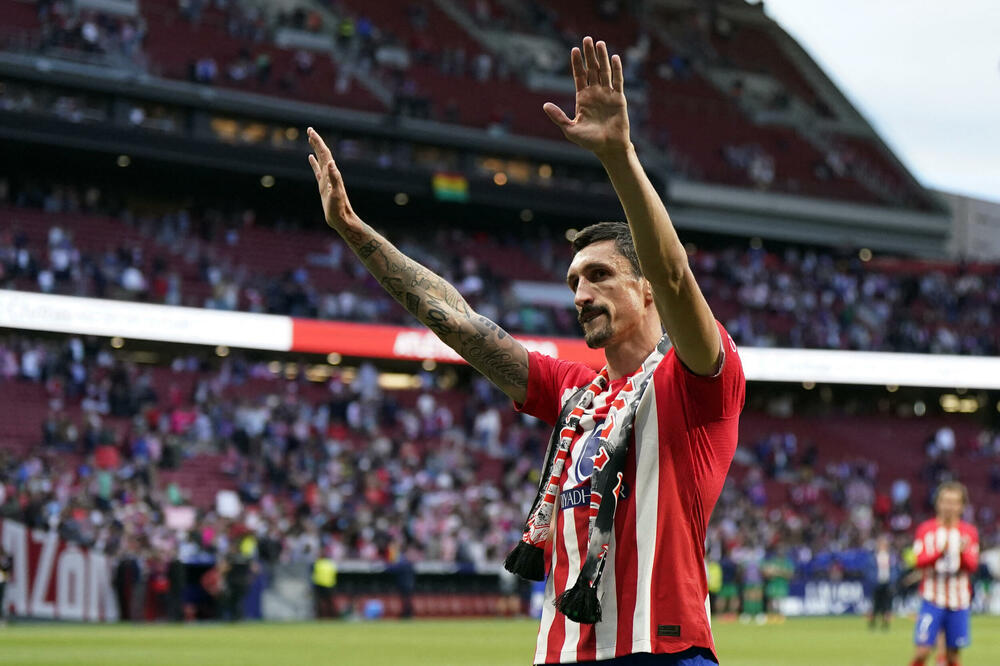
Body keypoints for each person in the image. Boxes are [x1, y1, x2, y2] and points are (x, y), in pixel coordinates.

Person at [307, 35, 744, 665]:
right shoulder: (575, 390)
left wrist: (618, 155)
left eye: (599, 276)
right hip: (560, 653)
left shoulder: (697, 381)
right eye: (573, 282)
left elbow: (676, 276)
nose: (581, 293)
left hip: (660, 650)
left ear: (645, 290)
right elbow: (457, 322)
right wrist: (353, 231)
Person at [910, 481, 979, 666]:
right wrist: (940, 552)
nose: (949, 506)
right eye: (945, 501)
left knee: (952, 656)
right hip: (932, 598)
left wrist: (962, 553)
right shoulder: (926, 530)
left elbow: (972, 566)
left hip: (959, 601)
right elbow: (919, 561)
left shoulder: (969, 532)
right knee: (923, 651)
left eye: (954, 502)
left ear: (962, 506)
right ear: (938, 503)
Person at [868, 534, 896, 631]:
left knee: (887, 604)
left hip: (887, 583)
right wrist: (874, 580)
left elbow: (894, 570)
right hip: (877, 583)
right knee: (875, 604)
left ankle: (885, 623)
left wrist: (893, 580)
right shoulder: (874, 557)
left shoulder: (891, 557)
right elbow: (870, 570)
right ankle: (873, 622)